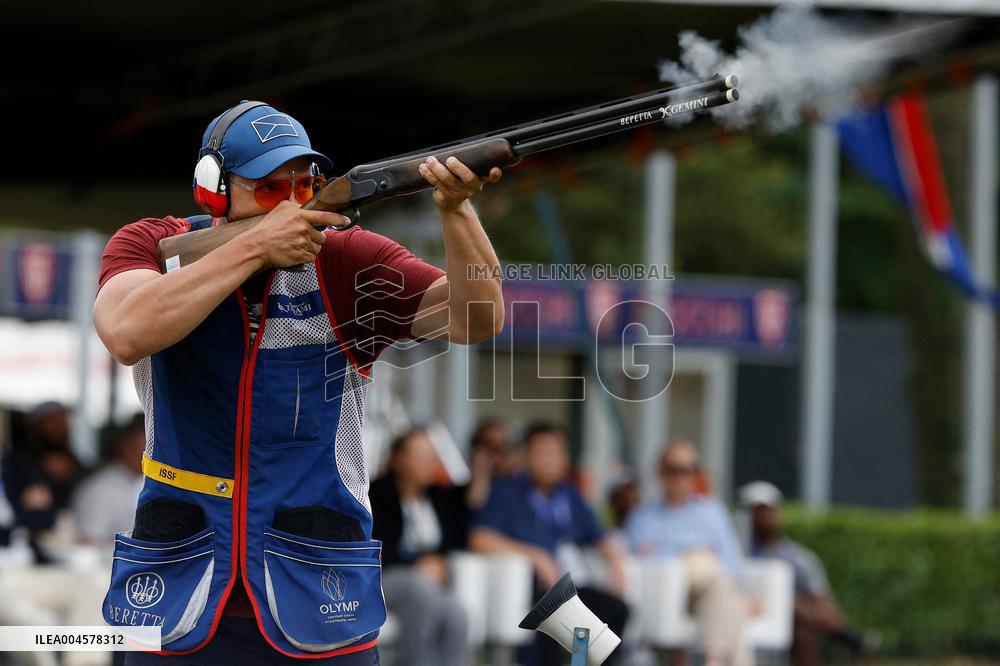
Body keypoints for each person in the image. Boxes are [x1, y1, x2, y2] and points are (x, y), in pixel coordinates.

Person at [93, 100, 504, 664]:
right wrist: (255, 247)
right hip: (176, 587)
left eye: (303, 187)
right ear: (214, 190)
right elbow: (126, 331)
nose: (290, 206)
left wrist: (458, 213)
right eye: (268, 191)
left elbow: (476, 319)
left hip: (320, 594)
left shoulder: (346, 260)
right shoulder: (151, 245)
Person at [469, 422, 629, 666]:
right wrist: (535, 555)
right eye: (543, 453)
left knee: (615, 609)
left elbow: (598, 535)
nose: (550, 460)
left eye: (556, 453)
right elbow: (480, 538)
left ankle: (582, 663)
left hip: (574, 584)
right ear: (526, 455)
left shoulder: (568, 493)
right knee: (557, 621)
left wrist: (615, 560)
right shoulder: (507, 491)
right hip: (534, 587)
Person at [625, 441, 752, 666]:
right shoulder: (642, 517)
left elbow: (732, 562)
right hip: (666, 591)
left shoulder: (712, 511)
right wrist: (689, 556)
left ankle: (714, 659)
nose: (679, 477)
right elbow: (639, 564)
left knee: (722, 587)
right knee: (713, 574)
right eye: (672, 470)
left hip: (708, 590)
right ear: (660, 473)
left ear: (695, 474)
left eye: (686, 470)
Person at [739, 481, 879, 666]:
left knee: (801, 626)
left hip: (796, 621)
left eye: (769, 510)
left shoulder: (798, 557)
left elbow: (821, 596)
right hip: (751, 608)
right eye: (758, 511)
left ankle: (840, 631)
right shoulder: (737, 551)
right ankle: (846, 635)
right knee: (786, 604)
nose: (765, 516)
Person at [370, 428, 469, 666]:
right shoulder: (376, 493)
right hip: (382, 576)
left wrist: (438, 561)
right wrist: (416, 565)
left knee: (456, 613)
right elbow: (374, 544)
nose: (429, 463)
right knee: (419, 592)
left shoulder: (436, 497)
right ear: (398, 458)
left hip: (427, 581)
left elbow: (450, 541)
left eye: (432, 457)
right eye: (421, 456)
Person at [72, 417, 145, 545]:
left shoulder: (142, 483)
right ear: (125, 447)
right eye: (142, 449)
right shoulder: (101, 488)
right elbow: (89, 541)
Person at [463, 418, 515, 512]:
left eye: (504, 448)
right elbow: (474, 504)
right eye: (490, 448)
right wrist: (481, 476)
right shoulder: (448, 496)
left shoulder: (522, 489)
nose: (497, 459)